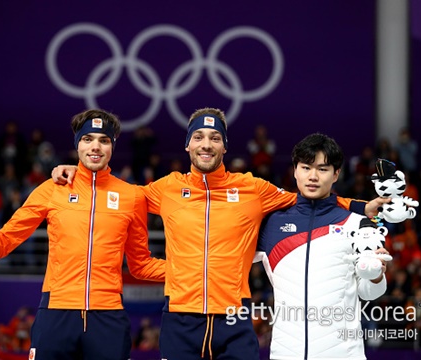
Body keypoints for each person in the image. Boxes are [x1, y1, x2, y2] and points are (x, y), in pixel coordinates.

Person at [52, 108, 391, 359]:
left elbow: (309, 198)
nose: (206, 144)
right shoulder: (166, 188)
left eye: (215, 138)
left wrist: (360, 207)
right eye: (198, 137)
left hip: (234, 317)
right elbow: (121, 194)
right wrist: (80, 174)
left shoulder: (253, 189)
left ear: (224, 147)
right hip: (181, 319)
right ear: (187, 146)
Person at [0, 109, 165, 360]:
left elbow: (141, 265)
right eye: (87, 139)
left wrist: (195, 269)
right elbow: (1, 245)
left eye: (104, 140)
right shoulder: (52, 189)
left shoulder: (131, 196)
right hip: (56, 313)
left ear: (112, 146)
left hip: (108, 318)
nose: (95, 147)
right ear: (77, 144)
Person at [255, 133, 389, 359]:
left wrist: (376, 275)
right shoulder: (271, 224)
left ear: (336, 174)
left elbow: (370, 292)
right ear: (295, 170)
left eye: (323, 169)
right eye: (306, 168)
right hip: (286, 353)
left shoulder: (358, 224)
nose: (313, 176)